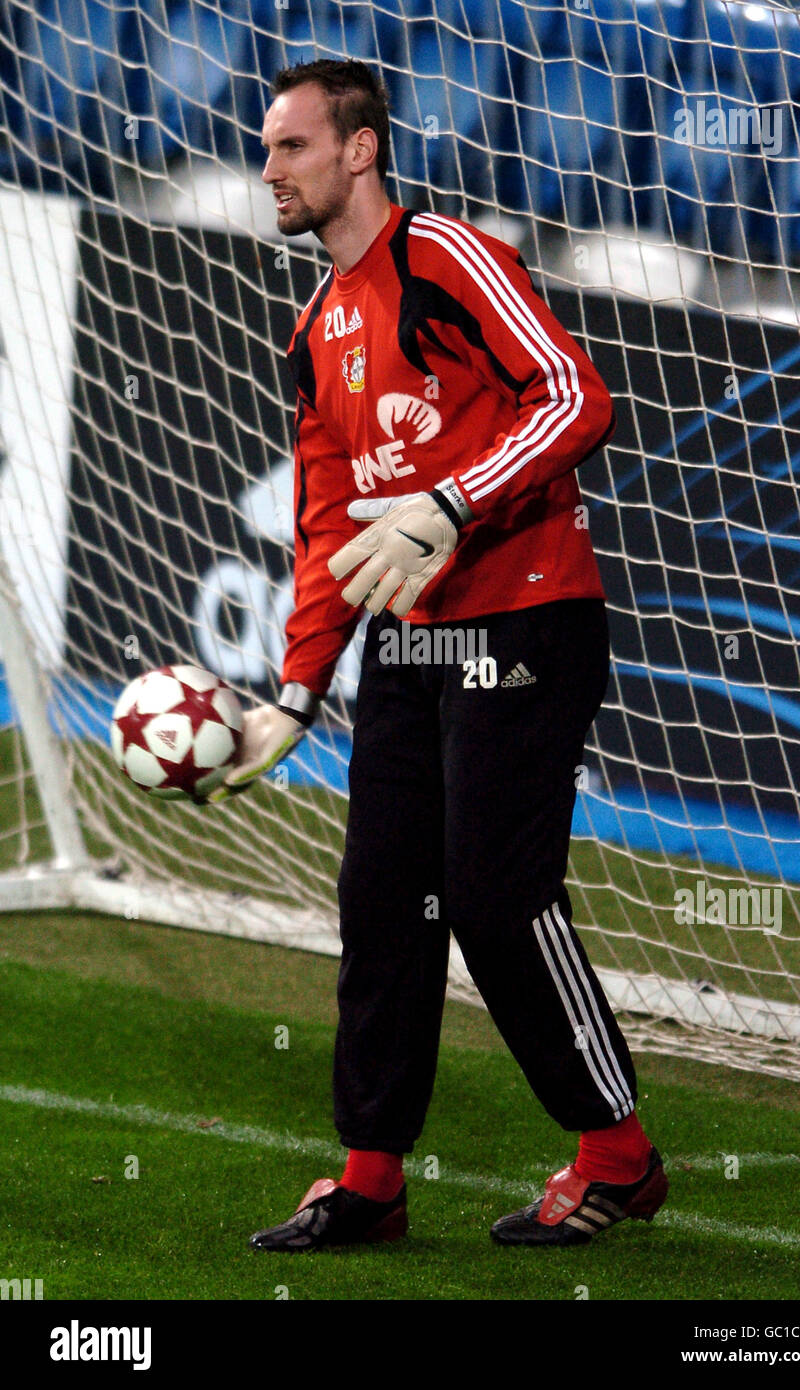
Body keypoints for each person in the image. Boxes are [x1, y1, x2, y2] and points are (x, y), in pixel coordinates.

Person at [218, 58, 668, 1251]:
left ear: (358, 150)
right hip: (409, 651)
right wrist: (295, 692)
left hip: (526, 621)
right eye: (267, 150)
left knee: (492, 896)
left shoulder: (445, 259)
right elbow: (324, 527)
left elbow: (575, 395)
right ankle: (369, 1176)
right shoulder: (314, 325)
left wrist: (454, 502)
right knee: (379, 900)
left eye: (290, 148)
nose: (268, 170)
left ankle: (616, 1154)